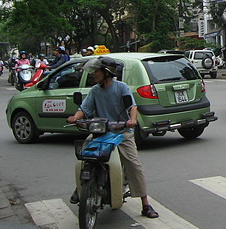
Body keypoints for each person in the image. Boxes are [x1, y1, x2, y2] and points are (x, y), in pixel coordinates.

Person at [67, 57, 159, 219]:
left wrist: (132, 120)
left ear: (107, 72)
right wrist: (75, 117)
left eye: (97, 71)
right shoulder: (95, 90)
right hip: (101, 131)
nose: (94, 74)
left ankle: (145, 203)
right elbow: (85, 108)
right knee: (84, 154)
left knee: (133, 163)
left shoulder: (121, 87)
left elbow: (132, 106)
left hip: (121, 131)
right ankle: (81, 188)